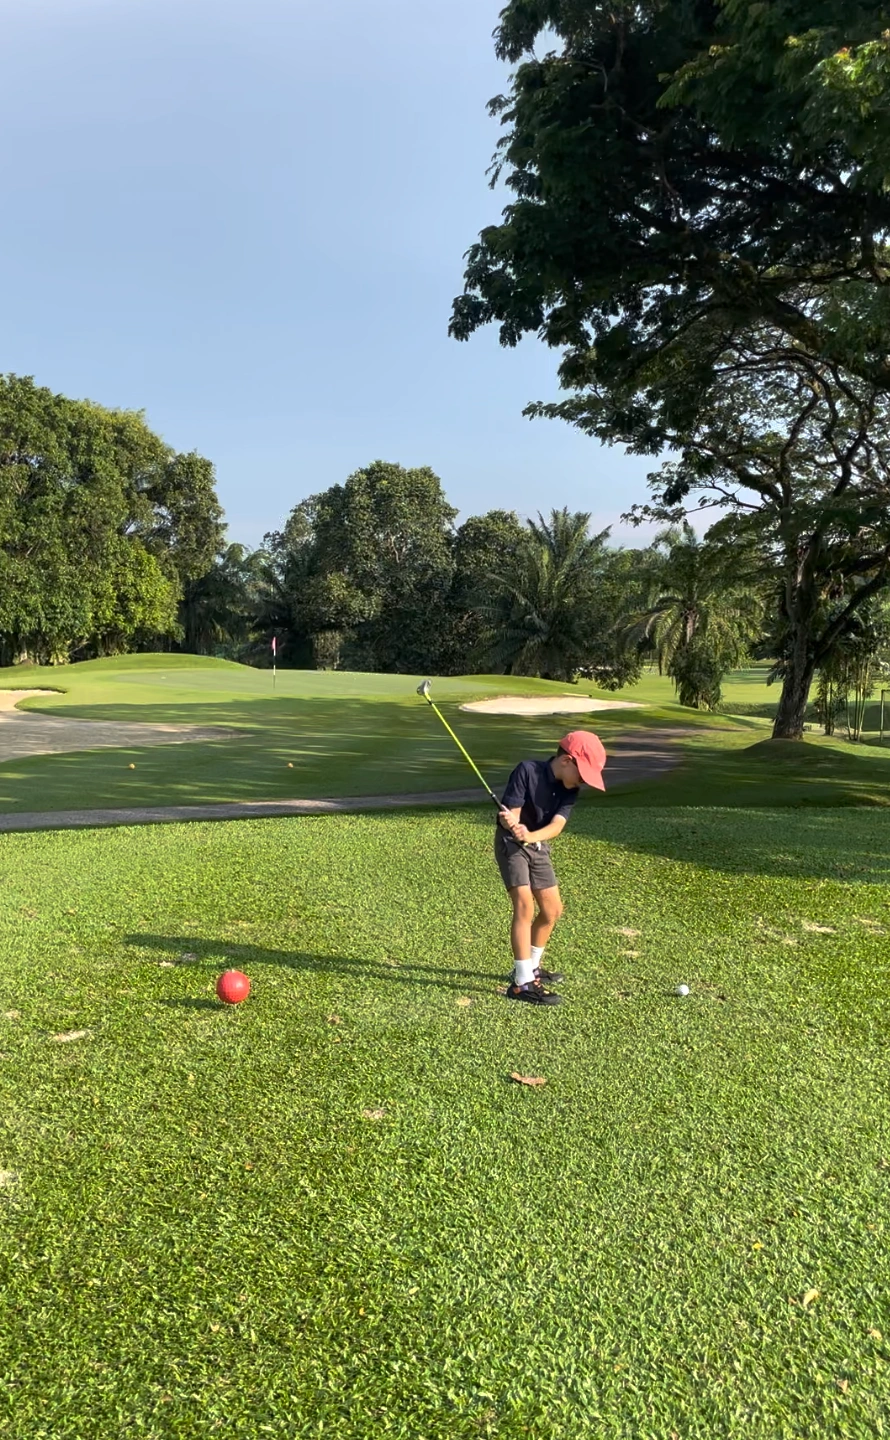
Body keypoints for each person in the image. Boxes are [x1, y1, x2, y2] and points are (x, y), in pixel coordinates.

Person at [497, 730, 607, 1006]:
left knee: (553, 910)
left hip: (538, 843)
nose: (583, 782)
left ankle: (532, 967)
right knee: (524, 905)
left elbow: (557, 825)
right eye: (583, 775)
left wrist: (532, 836)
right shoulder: (527, 771)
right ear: (567, 761)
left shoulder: (571, 791)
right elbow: (512, 816)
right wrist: (513, 824)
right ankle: (522, 984)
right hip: (511, 845)